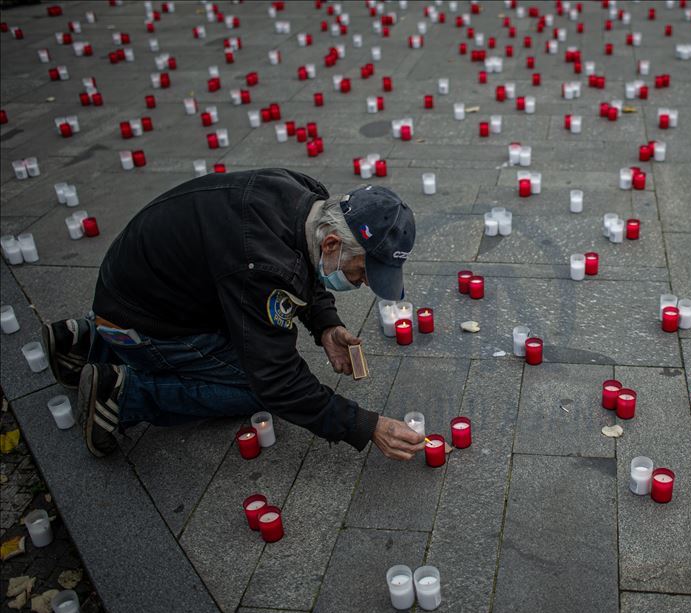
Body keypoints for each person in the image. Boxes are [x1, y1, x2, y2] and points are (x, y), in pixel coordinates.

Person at [41, 168, 425, 461]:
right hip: (143, 320)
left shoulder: (305, 196)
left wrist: (325, 323)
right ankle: (124, 394)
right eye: (361, 271)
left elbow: (304, 263)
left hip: (133, 286)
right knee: (252, 389)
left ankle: (87, 339)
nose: (359, 283)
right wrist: (366, 426)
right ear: (331, 241)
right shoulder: (262, 268)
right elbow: (277, 381)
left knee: (254, 353)